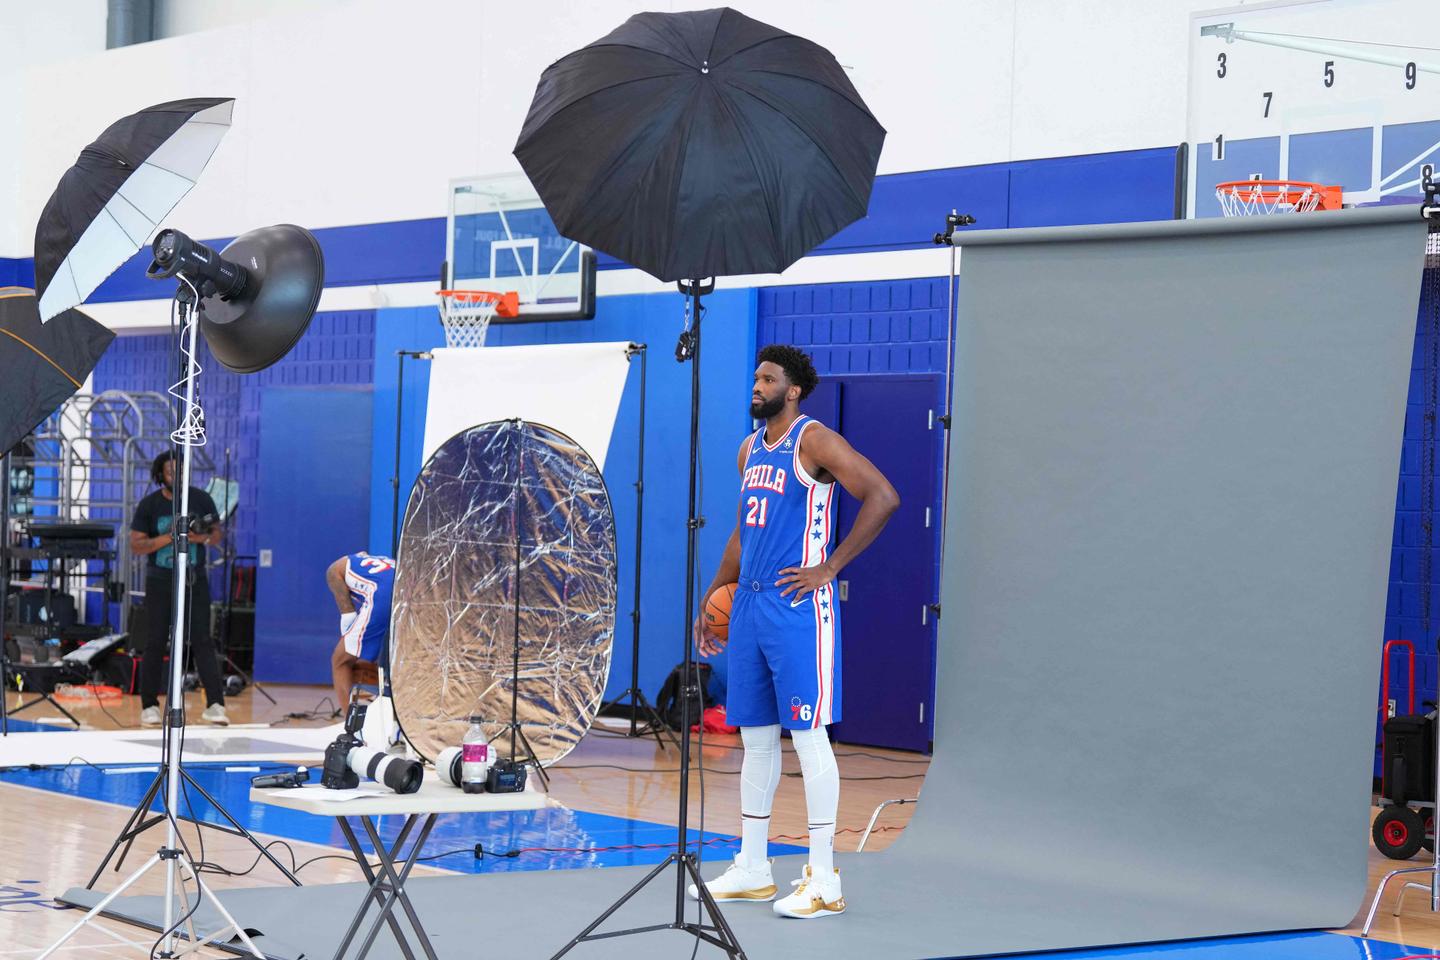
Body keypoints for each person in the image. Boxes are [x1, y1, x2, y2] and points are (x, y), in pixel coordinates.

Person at [692, 344, 899, 920]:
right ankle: (754, 866)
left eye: (767, 378)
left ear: (794, 390)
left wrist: (830, 566)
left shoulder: (814, 440)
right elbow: (742, 533)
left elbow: (883, 496)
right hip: (752, 605)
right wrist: (713, 595)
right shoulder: (748, 450)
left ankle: (825, 878)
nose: (756, 385)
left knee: (809, 739)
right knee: (756, 739)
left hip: (798, 608)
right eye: (755, 376)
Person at [129, 451, 227, 726]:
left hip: (194, 578)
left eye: (180, 470)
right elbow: (136, 544)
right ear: (160, 475)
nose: (176, 475)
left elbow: (217, 532)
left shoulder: (200, 499)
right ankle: (149, 705)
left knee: (202, 639)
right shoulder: (150, 505)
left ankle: (216, 704)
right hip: (160, 579)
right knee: (155, 640)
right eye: (171, 471)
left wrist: (201, 538)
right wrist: (169, 538)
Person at [328, 551, 395, 712]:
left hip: (380, 593)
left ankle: (349, 726)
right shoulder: (380, 562)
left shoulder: (334, 572)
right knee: (396, 659)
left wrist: (355, 656)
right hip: (407, 588)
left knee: (340, 660)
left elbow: (348, 616)